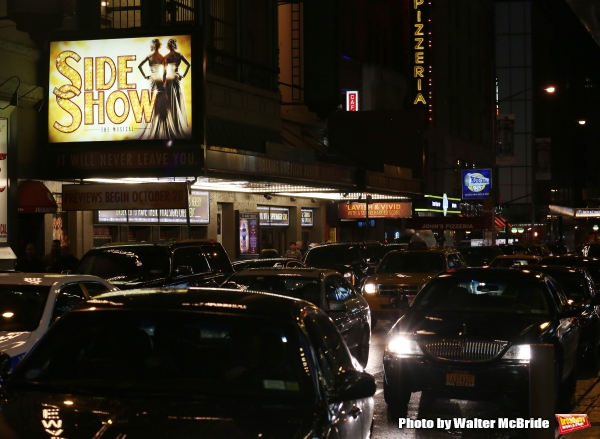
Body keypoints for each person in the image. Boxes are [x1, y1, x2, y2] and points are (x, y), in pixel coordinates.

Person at [138, 38, 171, 139]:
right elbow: (165, 72)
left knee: (151, 101)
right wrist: (164, 81)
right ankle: (159, 127)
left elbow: (140, 66)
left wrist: (145, 76)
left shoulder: (150, 56)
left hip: (152, 79)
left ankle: (152, 126)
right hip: (159, 80)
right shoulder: (162, 57)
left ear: (153, 46)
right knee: (160, 102)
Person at [163, 38, 192, 139]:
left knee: (170, 102)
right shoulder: (179, 55)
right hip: (176, 77)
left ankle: (172, 126)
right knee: (178, 100)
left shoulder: (166, 57)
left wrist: (163, 82)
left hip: (169, 78)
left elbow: (165, 72)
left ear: (169, 46)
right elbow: (189, 64)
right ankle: (177, 124)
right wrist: (182, 75)